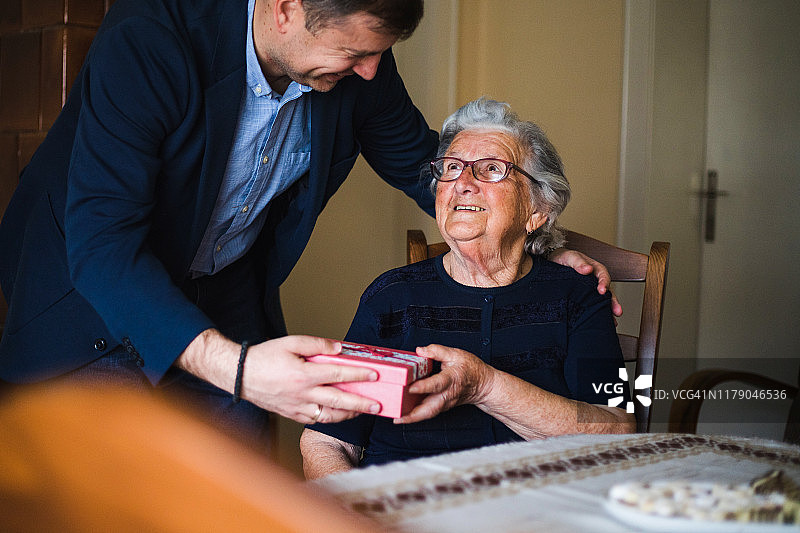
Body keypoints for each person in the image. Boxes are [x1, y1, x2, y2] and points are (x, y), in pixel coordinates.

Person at [0, 1, 615, 451]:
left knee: (235, 496)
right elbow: (103, 242)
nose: (372, 72)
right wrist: (240, 370)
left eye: (379, 53)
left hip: (222, 300)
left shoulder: (362, 68)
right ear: (286, 7)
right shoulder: (150, 38)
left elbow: (425, 166)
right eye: (356, 53)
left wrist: (529, 238)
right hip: (90, 301)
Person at [300, 98, 635, 477]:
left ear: (537, 211)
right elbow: (327, 440)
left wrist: (485, 386)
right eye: (452, 168)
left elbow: (616, 430)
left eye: (491, 169)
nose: (462, 183)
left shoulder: (576, 294)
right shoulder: (391, 297)